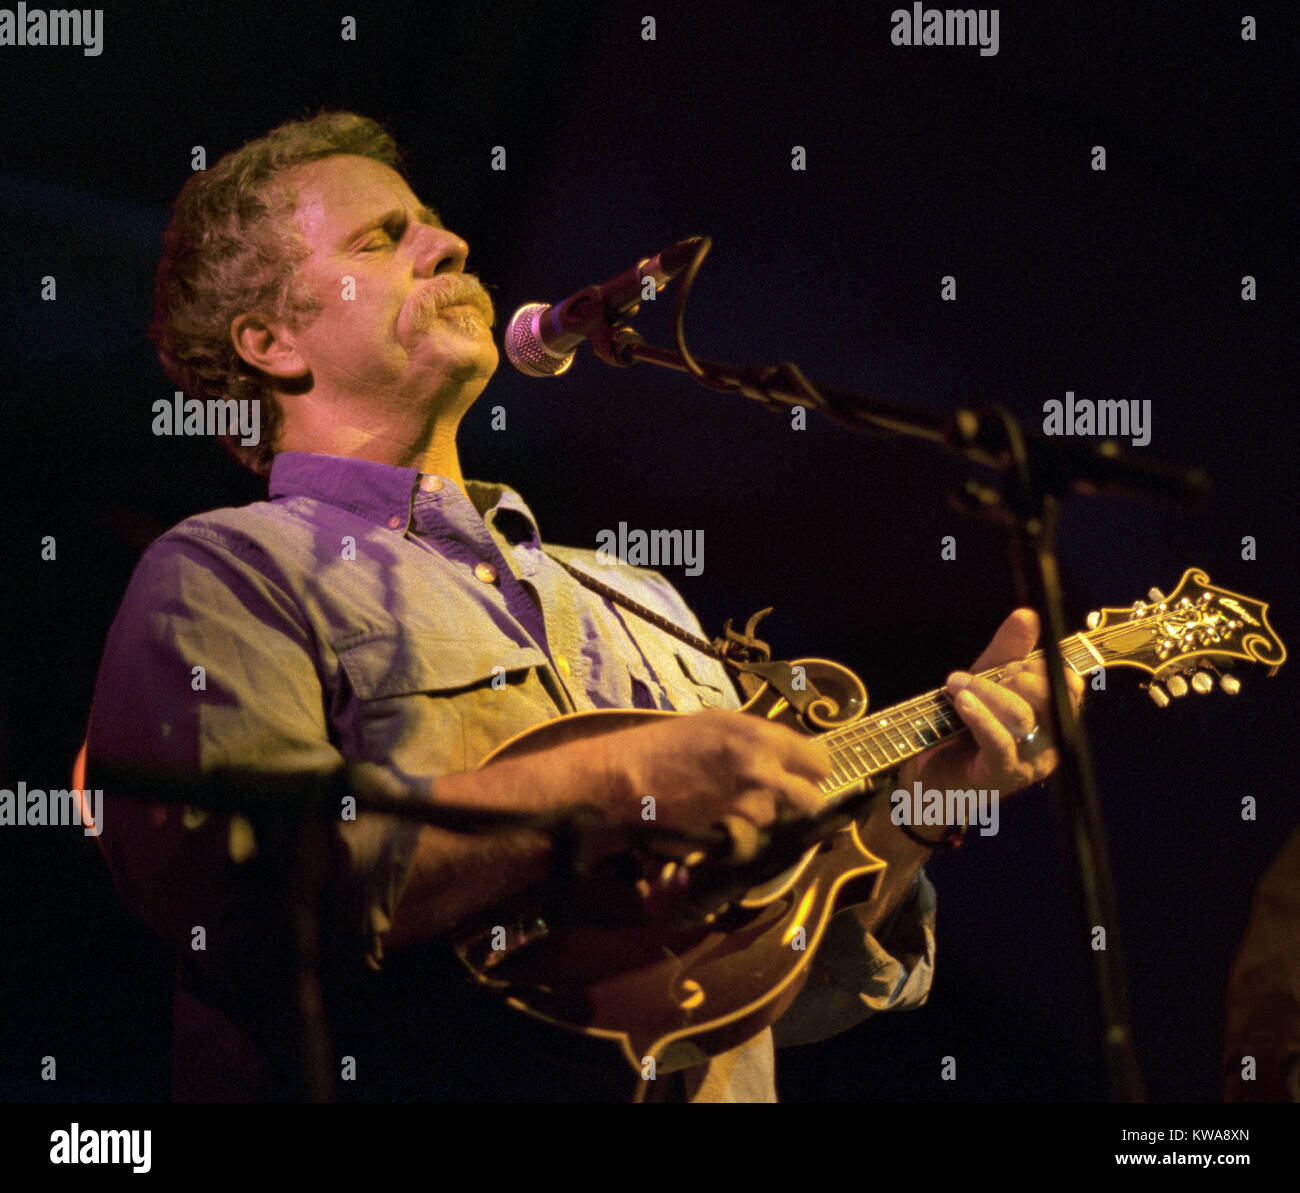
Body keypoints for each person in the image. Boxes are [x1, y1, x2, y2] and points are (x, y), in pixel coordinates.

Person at [86, 111, 1082, 1102]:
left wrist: (922, 808)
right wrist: (614, 777)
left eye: (433, 222)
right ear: (269, 340)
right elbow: (236, 889)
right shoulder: (225, 569)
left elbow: (775, 988)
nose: (451, 243)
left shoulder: (641, 596)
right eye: (384, 237)